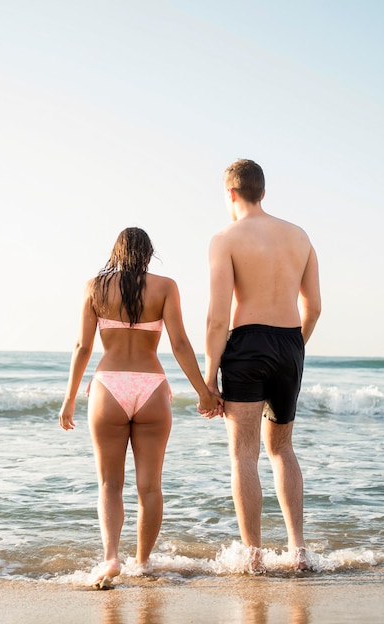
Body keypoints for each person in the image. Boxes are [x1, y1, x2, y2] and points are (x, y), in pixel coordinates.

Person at [59, 227, 222, 589]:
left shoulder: (95, 288)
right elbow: (179, 343)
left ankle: (111, 558)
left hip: (108, 386)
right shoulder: (165, 287)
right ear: (148, 254)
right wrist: (205, 393)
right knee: (150, 488)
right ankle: (143, 563)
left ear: (116, 253)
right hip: (150, 387)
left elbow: (82, 347)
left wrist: (70, 397)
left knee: (109, 484)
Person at [201, 159, 321, 573]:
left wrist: (210, 373)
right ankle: (299, 551)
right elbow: (315, 307)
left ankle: (253, 558)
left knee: (243, 455)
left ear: (231, 194)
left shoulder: (225, 238)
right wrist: (293, 348)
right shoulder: (299, 236)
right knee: (282, 448)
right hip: (290, 342)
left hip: (247, 342)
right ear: (263, 192)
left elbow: (218, 317)